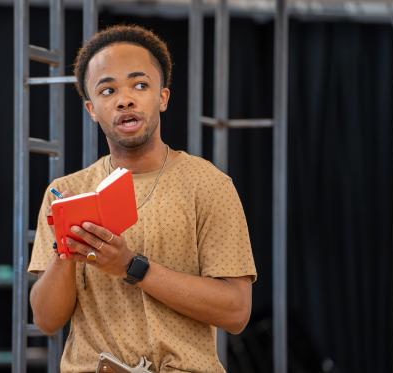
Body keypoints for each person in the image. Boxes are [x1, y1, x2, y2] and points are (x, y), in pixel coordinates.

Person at [28, 24, 257, 373]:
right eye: (107, 90)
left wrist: (132, 267)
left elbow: (236, 311)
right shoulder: (67, 191)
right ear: (91, 109)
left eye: (140, 85)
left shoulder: (209, 184)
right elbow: (46, 320)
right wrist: (66, 252)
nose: (125, 99)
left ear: (162, 97)